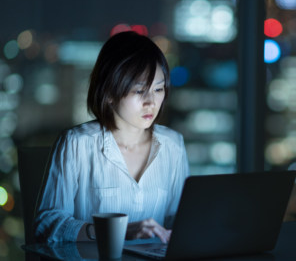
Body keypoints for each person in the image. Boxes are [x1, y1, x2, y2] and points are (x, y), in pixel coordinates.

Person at [33, 31, 189, 244]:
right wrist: (117, 231)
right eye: (139, 90)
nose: (151, 101)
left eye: (159, 88)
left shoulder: (173, 145)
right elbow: (47, 224)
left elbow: (178, 221)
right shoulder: (77, 144)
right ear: (109, 93)